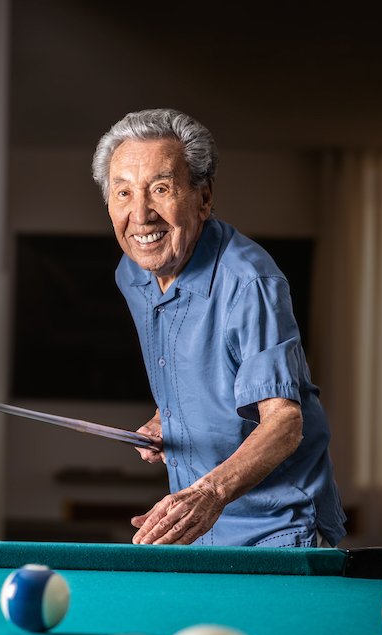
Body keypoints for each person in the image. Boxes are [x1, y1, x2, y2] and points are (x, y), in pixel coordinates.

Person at [91, 109, 345, 547]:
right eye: (123, 193)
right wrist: (165, 420)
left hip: (278, 528)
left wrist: (208, 492)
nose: (141, 214)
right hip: (197, 526)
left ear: (204, 198)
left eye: (161, 189)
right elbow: (203, 376)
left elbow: (284, 422)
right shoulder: (132, 274)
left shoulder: (250, 282)